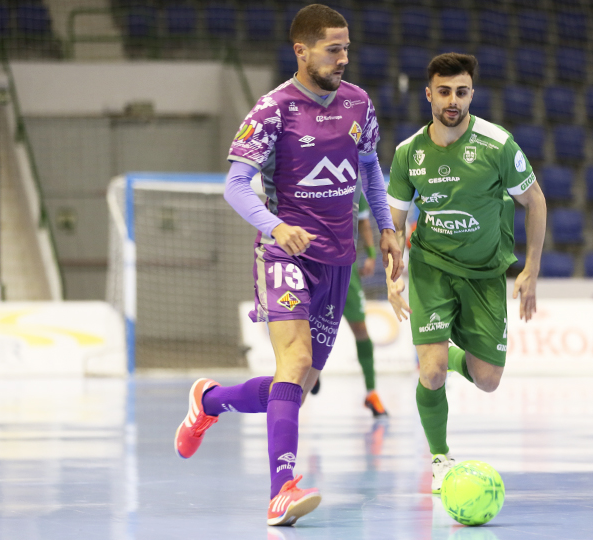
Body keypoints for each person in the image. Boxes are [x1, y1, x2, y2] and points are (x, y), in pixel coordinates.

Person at [172, 4, 402, 526]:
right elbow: (234, 185)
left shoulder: (359, 103)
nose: (344, 58)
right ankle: (281, 491)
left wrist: (386, 228)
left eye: (347, 48)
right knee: (294, 366)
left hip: (339, 259)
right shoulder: (272, 110)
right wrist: (275, 226)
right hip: (285, 254)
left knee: (292, 387)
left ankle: (210, 400)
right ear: (301, 50)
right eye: (333, 49)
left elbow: (371, 172)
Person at [384, 53, 547, 494]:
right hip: (432, 268)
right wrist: (392, 275)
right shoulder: (408, 153)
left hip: (485, 273)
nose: (452, 100)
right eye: (443, 91)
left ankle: (447, 354)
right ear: (429, 94)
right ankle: (439, 458)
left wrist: (530, 269)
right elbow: (393, 223)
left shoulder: (498, 145)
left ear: (471, 93)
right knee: (431, 371)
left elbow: (535, 202)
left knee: (488, 381)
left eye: (461, 91)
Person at [310, 194, 389, 417]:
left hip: (347, 270)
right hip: (316, 266)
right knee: (309, 327)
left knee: (361, 330)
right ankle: (310, 373)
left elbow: (363, 221)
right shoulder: (312, 179)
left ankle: (371, 393)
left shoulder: (354, 184)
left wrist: (372, 255)